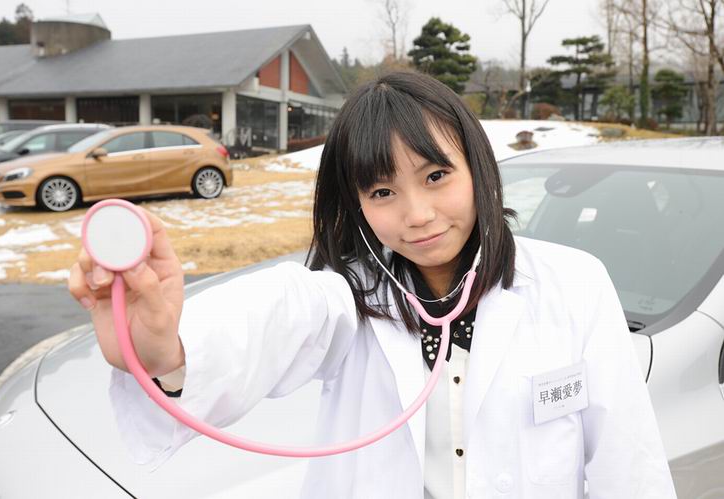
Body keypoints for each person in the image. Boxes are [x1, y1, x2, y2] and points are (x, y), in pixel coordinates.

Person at [68, 70, 677, 498]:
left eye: (436, 176)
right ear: (357, 205)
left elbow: (629, 466)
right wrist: (166, 350)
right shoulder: (347, 299)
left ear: (477, 168)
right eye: (383, 191)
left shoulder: (573, 285)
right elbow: (276, 312)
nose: (417, 214)